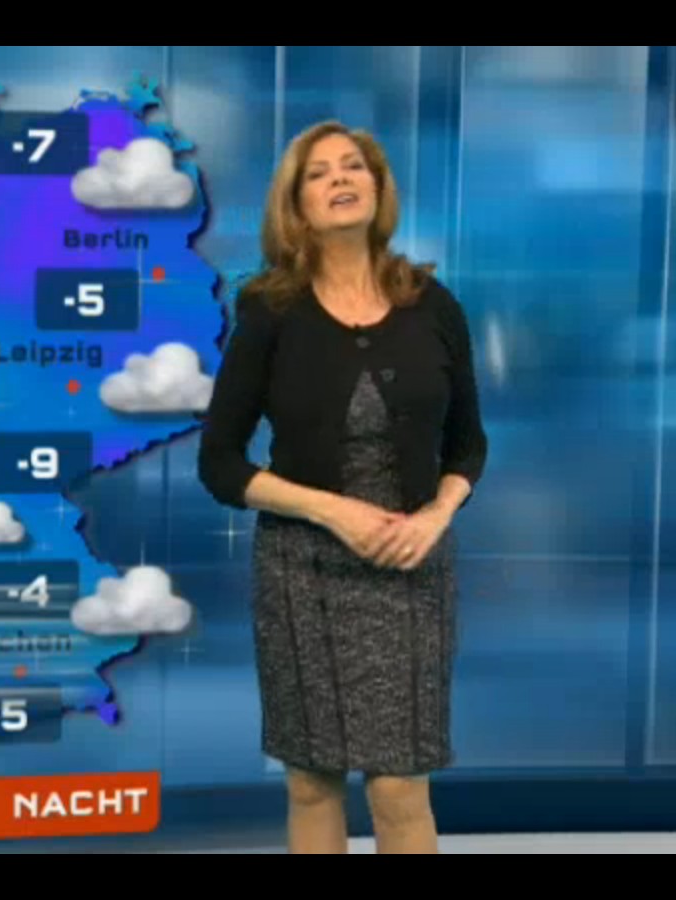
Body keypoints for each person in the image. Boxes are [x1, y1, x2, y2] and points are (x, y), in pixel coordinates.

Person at [197, 121, 488, 854]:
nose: (340, 180)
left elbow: (468, 444)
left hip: (411, 566)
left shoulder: (433, 304)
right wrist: (332, 512)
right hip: (303, 572)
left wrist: (435, 516)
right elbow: (221, 463)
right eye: (319, 173)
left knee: (398, 786)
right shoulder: (269, 310)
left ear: (378, 187)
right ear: (296, 204)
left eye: (353, 166)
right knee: (312, 779)